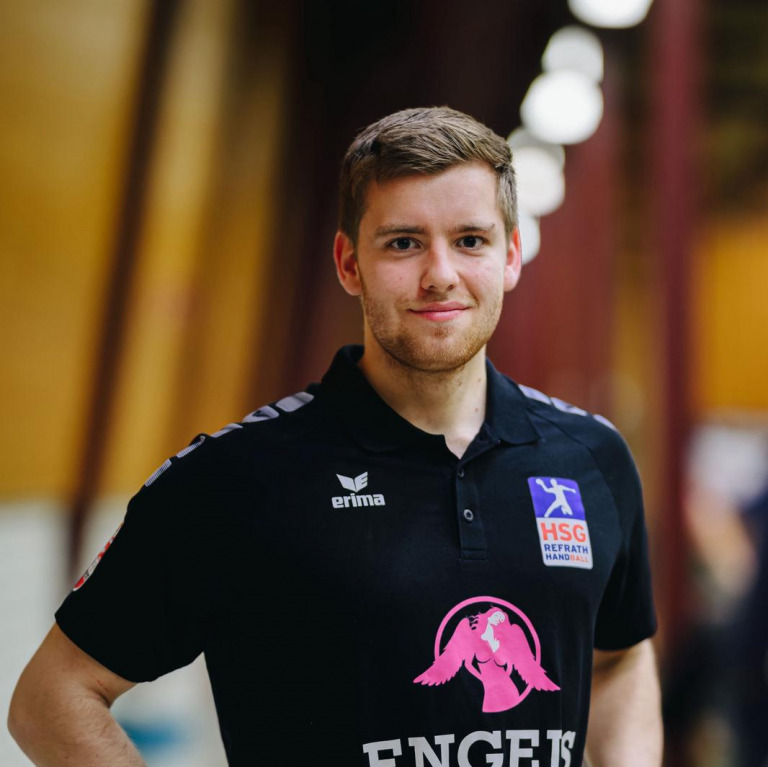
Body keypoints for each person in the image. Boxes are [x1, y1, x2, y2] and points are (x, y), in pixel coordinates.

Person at [8, 107, 662, 766]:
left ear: (510, 255)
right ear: (350, 264)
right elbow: (53, 697)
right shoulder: (237, 478)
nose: (440, 273)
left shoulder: (593, 460)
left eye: (470, 240)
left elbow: (619, 659)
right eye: (403, 243)